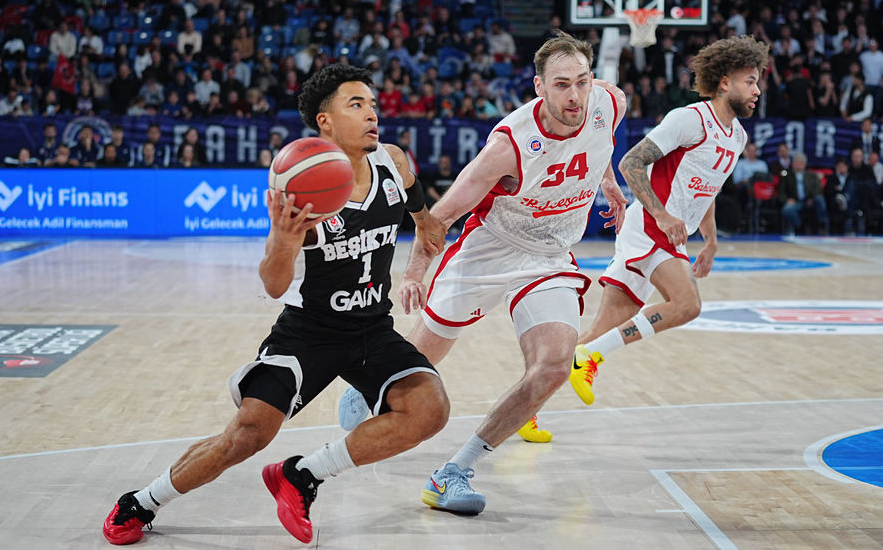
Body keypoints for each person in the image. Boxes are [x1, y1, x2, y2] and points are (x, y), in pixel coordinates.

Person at [101, 63, 451, 545]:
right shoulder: (304, 191)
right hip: (310, 333)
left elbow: (409, 186)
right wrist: (284, 241)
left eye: (372, 104)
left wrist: (424, 218)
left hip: (372, 328)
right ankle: (142, 501)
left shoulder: (390, 159)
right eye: (356, 105)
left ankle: (302, 475)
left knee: (430, 409)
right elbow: (272, 284)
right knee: (247, 434)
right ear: (325, 121)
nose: (372, 114)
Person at [339, 30, 628, 509]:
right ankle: (372, 385)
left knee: (555, 366)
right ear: (539, 86)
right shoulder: (509, 147)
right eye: (561, 85)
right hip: (490, 249)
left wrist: (610, 184)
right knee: (418, 362)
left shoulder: (609, 102)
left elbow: (602, 143)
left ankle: (453, 472)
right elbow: (442, 216)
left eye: (582, 81)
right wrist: (413, 274)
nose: (575, 95)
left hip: (550, 257)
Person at [567, 35, 769, 410]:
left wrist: (710, 242)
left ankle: (528, 404)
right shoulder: (690, 119)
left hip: (664, 234)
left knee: (600, 330)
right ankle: (591, 356)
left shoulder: (738, 137)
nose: (757, 90)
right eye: (751, 81)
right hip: (651, 226)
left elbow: (707, 191)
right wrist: (661, 214)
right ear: (725, 82)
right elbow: (630, 162)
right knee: (687, 305)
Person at [778, 152, 829, 235]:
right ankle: (800, 226)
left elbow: (818, 189)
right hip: (795, 202)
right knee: (786, 210)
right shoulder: (787, 176)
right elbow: (781, 192)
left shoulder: (812, 176)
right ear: (792, 164)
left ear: (804, 165)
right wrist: (787, 200)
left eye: (800, 163)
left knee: (819, 199)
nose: (798, 166)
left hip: (810, 200)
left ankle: (822, 225)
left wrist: (811, 198)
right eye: (796, 163)